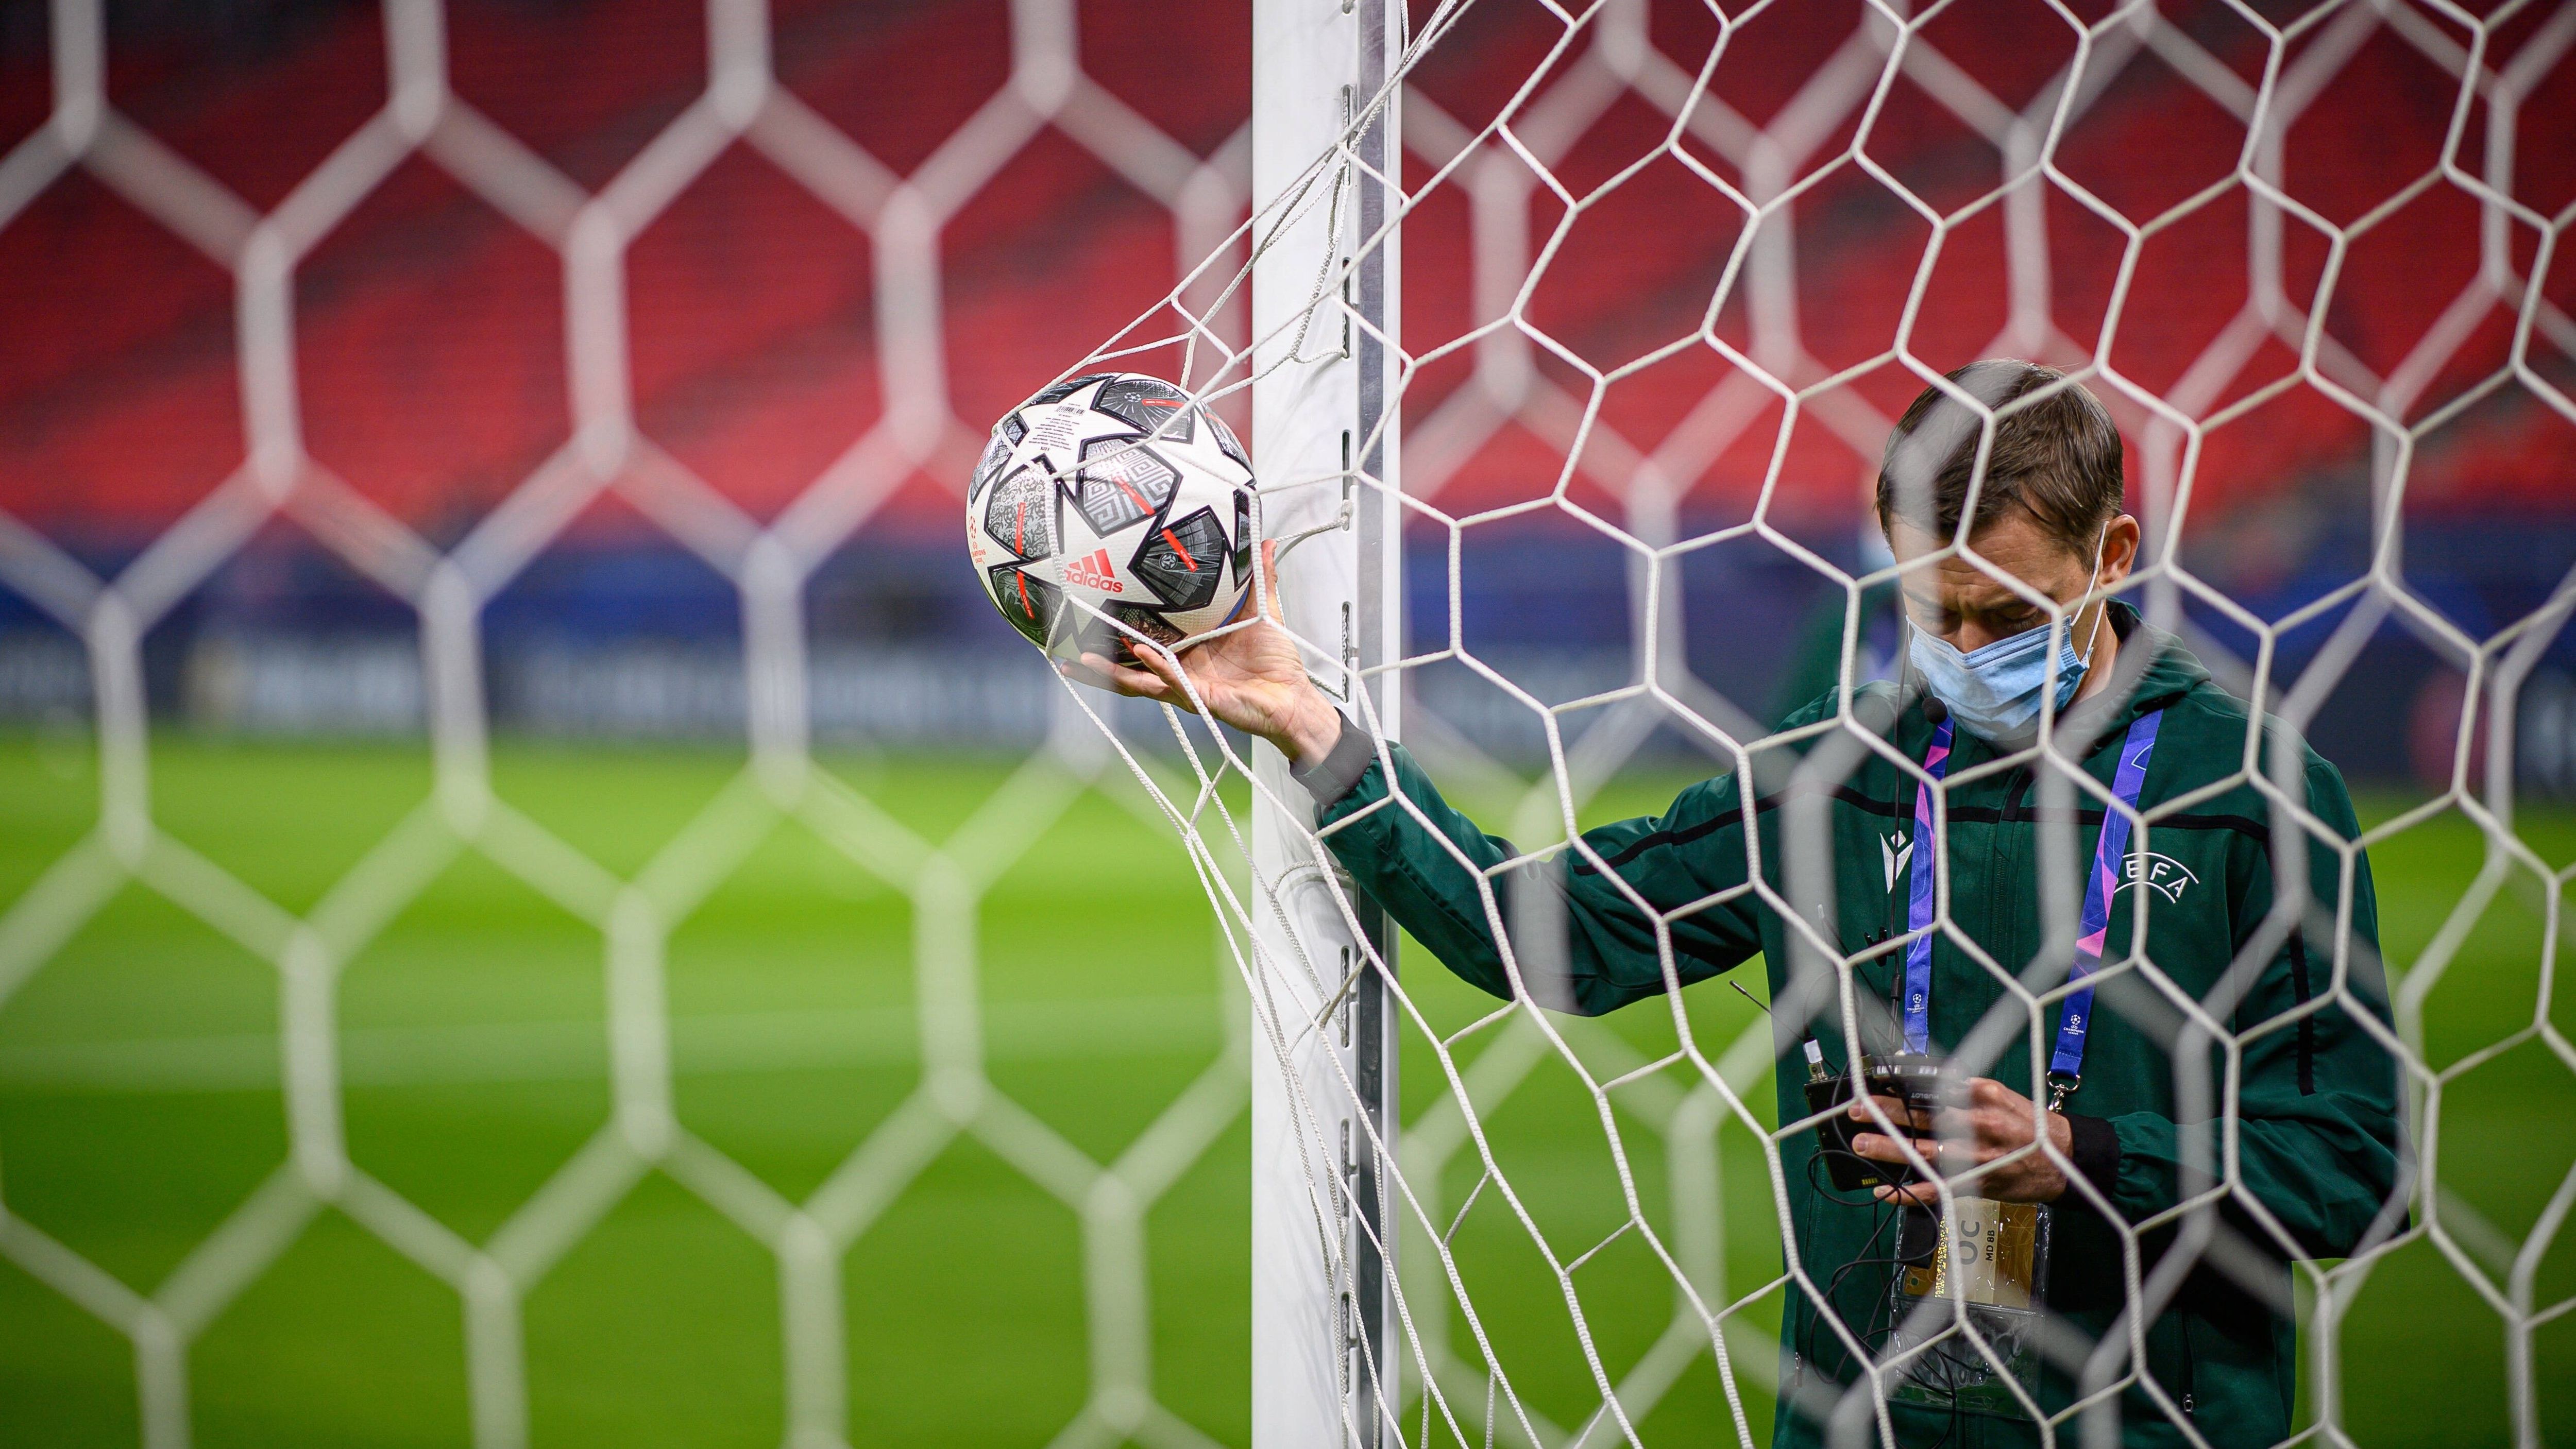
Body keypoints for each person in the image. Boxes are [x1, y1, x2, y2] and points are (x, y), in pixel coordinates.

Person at [1065, 360, 2401, 1448]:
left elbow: (2356, 1170)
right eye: (1938, 617)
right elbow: (1544, 930)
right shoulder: (1832, 777)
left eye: (2009, 615)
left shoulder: (2253, 793)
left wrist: (2085, 1159)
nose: (1970, 656)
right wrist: (1312, 727)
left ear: (2111, 554)